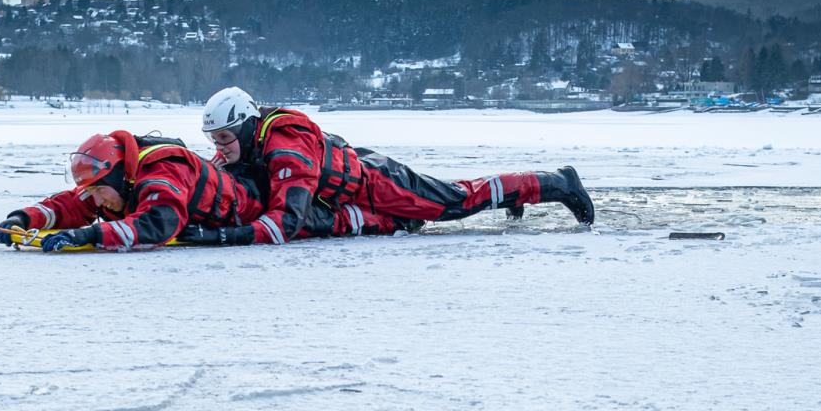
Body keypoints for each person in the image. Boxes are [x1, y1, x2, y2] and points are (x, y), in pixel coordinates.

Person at [195, 87, 595, 245]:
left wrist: (228, 236)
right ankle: (512, 196)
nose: (220, 149)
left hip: (377, 183)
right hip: (355, 183)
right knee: (440, 203)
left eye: (225, 139)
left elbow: (289, 219)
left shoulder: (286, 147)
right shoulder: (246, 147)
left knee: (453, 202)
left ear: (247, 128)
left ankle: (558, 183)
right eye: (214, 142)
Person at [0, 129, 263, 252]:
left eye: (98, 190)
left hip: (252, 203)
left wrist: (89, 235)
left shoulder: (163, 171)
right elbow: (72, 204)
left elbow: (157, 224)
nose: (96, 200)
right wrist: (23, 218)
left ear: (118, 175)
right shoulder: (112, 184)